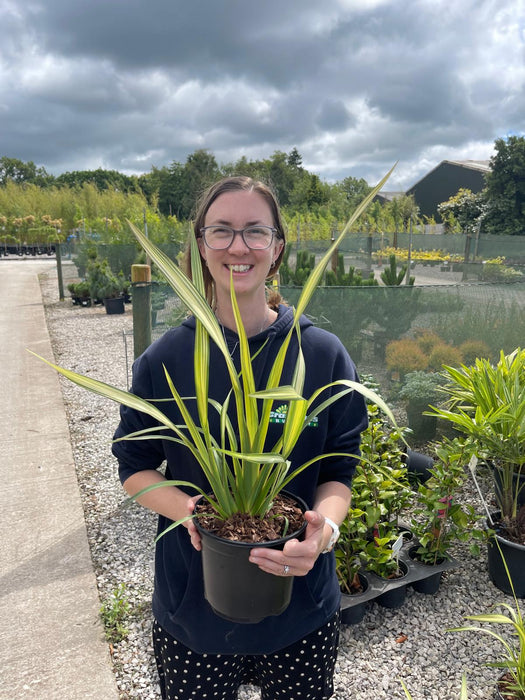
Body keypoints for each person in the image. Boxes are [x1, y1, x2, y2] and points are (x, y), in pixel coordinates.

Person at [112, 176, 368, 700]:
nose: (238, 246)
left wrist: (324, 535)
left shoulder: (321, 355)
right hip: (194, 609)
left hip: (301, 608)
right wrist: (190, 512)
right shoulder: (165, 360)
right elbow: (134, 470)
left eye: (256, 230)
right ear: (200, 246)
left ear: (277, 248)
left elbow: (339, 472)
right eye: (221, 230)